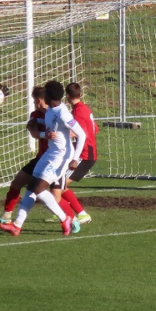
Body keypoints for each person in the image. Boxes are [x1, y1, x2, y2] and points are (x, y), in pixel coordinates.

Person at [0, 80, 85, 237]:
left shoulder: (63, 113)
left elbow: (82, 134)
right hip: (49, 154)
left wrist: (75, 159)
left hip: (61, 158)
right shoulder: (51, 110)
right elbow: (48, 122)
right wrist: (34, 121)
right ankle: (17, 226)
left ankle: (65, 218)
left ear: (49, 95)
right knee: (31, 187)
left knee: (39, 190)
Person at [0, 87, 52, 227]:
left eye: (35, 100)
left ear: (40, 100)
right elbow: (34, 134)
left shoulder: (55, 114)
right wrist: (41, 133)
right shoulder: (35, 114)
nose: (34, 103)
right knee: (17, 184)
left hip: (54, 159)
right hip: (40, 158)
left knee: (56, 192)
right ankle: (6, 216)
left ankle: (71, 218)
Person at [61, 82, 97, 224]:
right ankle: (62, 210)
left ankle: (81, 214)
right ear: (80, 94)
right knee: (59, 184)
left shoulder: (77, 112)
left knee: (60, 185)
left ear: (67, 96)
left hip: (84, 155)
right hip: (87, 151)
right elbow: (95, 129)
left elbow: (79, 133)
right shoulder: (85, 109)